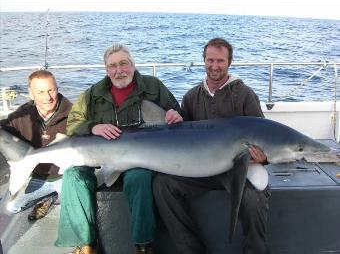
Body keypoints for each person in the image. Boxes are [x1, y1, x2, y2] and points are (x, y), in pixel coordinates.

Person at [55, 43, 183, 254]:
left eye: (124, 63)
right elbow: (73, 124)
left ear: (133, 65)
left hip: (138, 160)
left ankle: (143, 245)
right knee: (72, 176)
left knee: (139, 178)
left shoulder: (153, 86)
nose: (119, 70)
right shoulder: (92, 95)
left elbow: (176, 113)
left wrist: (175, 116)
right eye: (113, 66)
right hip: (101, 159)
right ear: (107, 70)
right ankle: (86, 244)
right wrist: (93, 126)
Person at [153, 37, 271, 254]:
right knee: (162, 184)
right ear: (203, 61)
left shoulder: (245, 95)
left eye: (220, 61)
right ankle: (191, 248)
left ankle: (256, 251)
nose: (214, 66)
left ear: (229, 63)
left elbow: (265, 135)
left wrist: (264, 158)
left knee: (254, 199)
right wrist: (173, 118)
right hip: (202, 170)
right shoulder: (191, 96)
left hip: (236, 169)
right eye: (210, 60)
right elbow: (181, 138)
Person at [0, 69, 72, 220]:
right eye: (40, 92)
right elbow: (3, 130)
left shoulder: (73, 114)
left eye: (51, 90)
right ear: (31, 94)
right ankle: (47, 197)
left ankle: (53, 197)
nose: (47, 97)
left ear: (57, 89)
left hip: (65, 176)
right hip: (37, 177)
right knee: (10, 208)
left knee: (74, 208)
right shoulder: (22, 114)